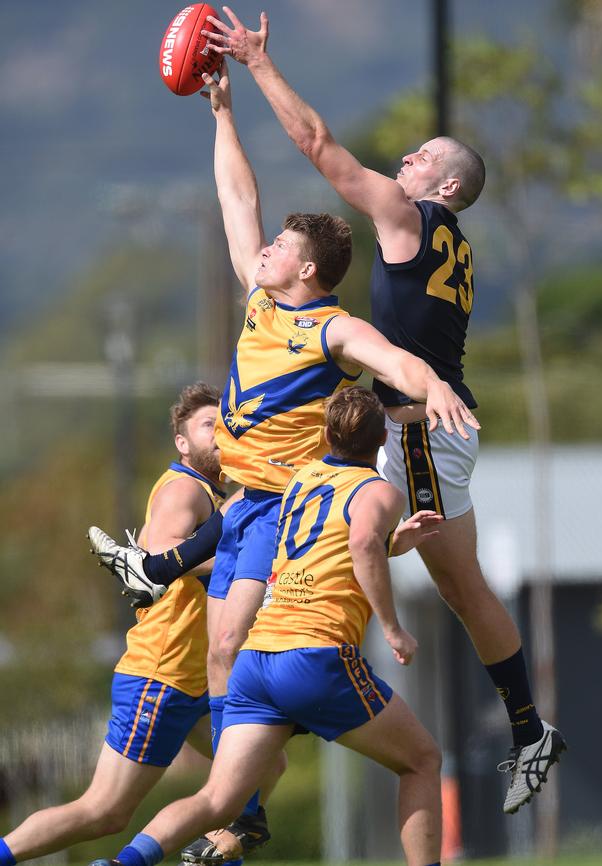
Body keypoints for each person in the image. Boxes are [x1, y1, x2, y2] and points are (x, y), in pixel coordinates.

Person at [88, 57, 479, 861]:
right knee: (221, 652)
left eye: (277, 249)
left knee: (230, 647)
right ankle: (243, 802)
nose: (260, 252)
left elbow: (393, 358)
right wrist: (223, 114)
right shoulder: (264, 298)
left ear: (307, 269)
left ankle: (242, 807)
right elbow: (239, 200)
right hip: (239, 507)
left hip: (279, 506)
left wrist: (431, 383)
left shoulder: (330, 328)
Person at [197, 7, 566, 814]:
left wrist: (257, 65)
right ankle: (530, 728)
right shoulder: (450, 242)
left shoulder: (409, 217)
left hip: (423, 426)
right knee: (460, 586)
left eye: (422, 156)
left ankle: (284, 705)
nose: (406, 157)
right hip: (430, 423)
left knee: (354, 540)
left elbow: (317, 144)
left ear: (444, 189)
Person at [87, 385, 447, 866]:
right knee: (422, 761)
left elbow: (335, 547)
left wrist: (392, 542)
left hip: (257, 662)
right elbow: (360, 542)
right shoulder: (379, 491)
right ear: (382, 438)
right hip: (316, 656)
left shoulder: (300, 481)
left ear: (325, 436)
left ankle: (124, 863)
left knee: (220, 800)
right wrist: (392, 627)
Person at [0, 383, 283, 866]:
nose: (218, 437)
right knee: (103, 811)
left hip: (196, 678)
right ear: (182, 441)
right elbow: (155, 558)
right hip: (163, 672)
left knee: (261, 766)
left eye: (225, 426)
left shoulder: (218, 494)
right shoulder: (185, 489)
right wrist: (248, 570)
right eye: (206, 427)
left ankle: (205, 850)